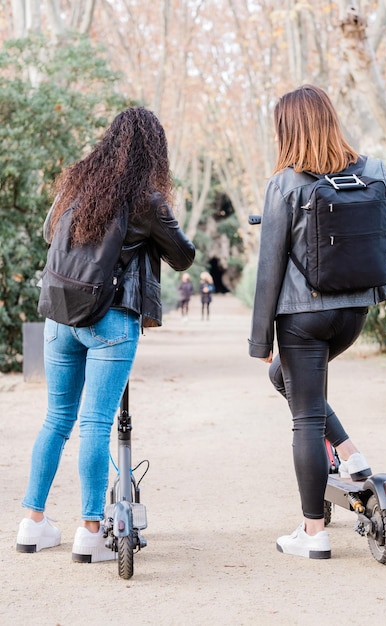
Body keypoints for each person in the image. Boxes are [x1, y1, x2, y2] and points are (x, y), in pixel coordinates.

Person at [16, 107, 195, 562]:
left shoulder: (76, 182)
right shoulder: (147, 200)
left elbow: (48, 233)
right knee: (95, 422)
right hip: (111, 319)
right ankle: (90, 531)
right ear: (153, 151)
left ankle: (32, 524)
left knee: (57, 420)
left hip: (59, 316)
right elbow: (183, 257)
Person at [248, 85, 386, 560]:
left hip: (303, 319)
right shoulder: (375, 171)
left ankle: (313, 531)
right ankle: (350, 451)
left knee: (304, 416)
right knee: (290, 381)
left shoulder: (284, 184)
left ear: (287, 130)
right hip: (353, 314)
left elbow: (269, 270)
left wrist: (260, 339)